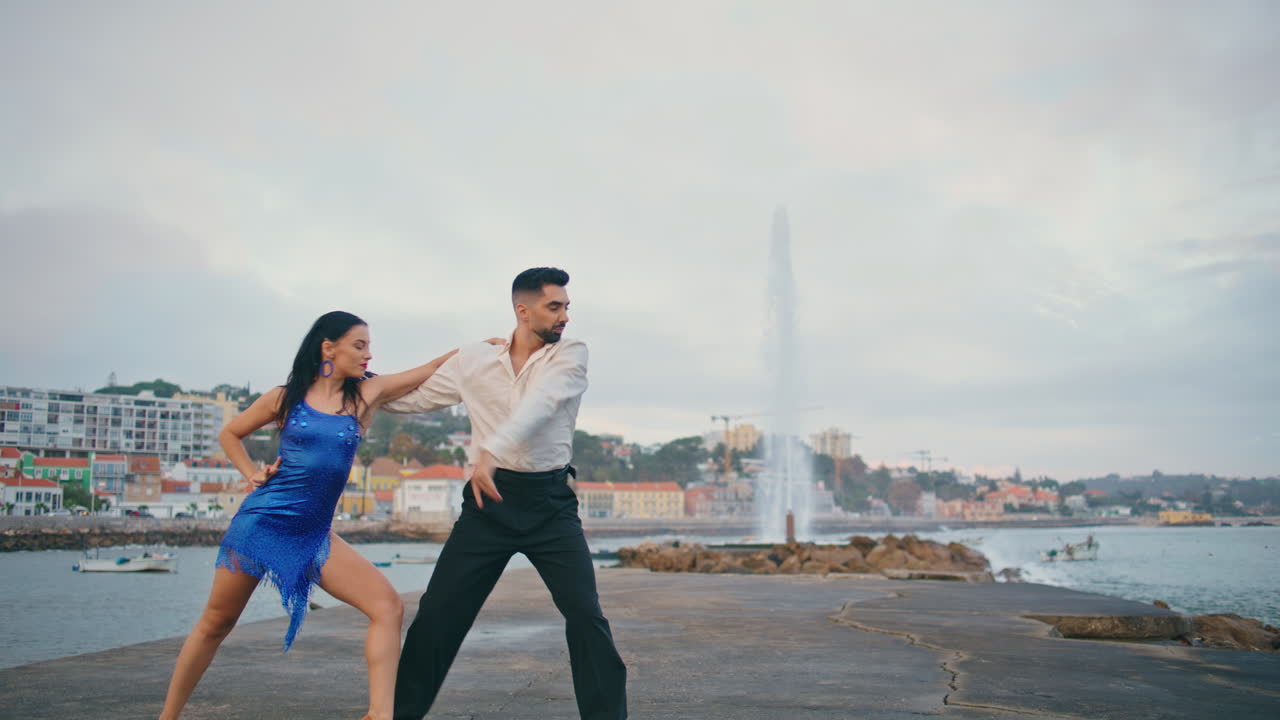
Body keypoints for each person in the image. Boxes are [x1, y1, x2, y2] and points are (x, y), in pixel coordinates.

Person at [159, 311, 491, 720]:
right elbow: (230, 433)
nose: (369, 354)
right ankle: (167, 717)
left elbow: (427, 370)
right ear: (327, 347)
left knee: (387, 606)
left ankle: (380, 715)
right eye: (359, 345)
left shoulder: (366, 394)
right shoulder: (285, 398)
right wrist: (252, 474)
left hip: (314, 534)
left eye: (369, 346)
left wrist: (478, 352)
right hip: (262, 522)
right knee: (216, 622)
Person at [386, 267, 627, 720]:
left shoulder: (570, 355)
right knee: (437, 615)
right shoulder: (474, 359)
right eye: (554, 307)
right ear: (522, 310)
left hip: (549, 505)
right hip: (486, 506)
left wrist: (491, 449)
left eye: (566, 307)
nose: (565, 317)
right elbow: (412, 399)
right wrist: (346, 391)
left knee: (586, 617)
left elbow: (541, 405)